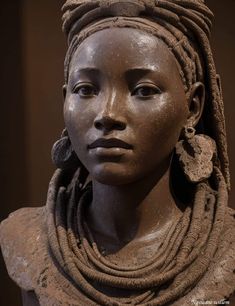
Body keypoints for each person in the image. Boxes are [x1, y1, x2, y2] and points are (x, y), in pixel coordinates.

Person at [1, 0, 235, 305]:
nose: (107, 114)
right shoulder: (25, 237)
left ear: (192, 107)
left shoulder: (225, 244)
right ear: (65, 99)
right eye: (85, 89)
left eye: (144, 90)